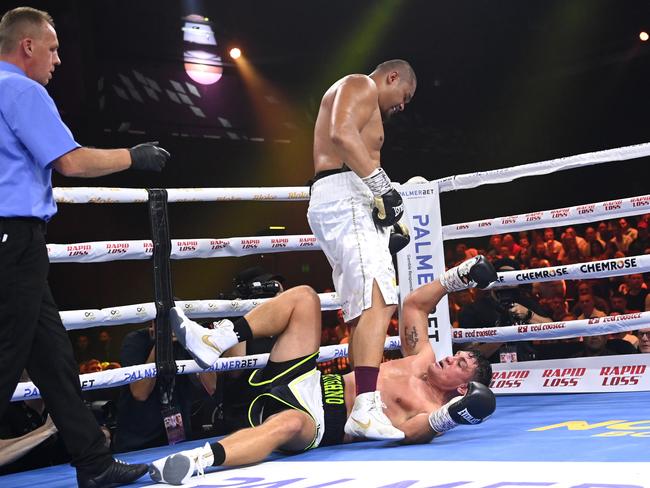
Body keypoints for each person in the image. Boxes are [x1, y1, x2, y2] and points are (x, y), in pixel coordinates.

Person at [0, 7, 170, 487]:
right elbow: (70, 163)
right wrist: (133, 156)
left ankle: (93, 462)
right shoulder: (20, 89)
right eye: (51, 49)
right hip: (13, 236)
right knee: (7, 355)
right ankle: (94, 461)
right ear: (27, 46)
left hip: (14, 240)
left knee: (53, 360)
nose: (57, 60)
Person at [147, 256, 497, 485]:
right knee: (304, 297)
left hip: (319, 420)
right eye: (457, 355)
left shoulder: (430, 411)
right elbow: (416, 304)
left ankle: (198, 460)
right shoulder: (422, 357)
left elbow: (415, 434)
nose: (450, 358)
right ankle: (218, 338)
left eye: (460, 364)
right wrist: (460, 276)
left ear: (464, 390)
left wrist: (454, 415)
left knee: (285, 424)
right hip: (308, 378)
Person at [306, 59, 417, 440]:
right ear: (392, 77)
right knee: (379, 297)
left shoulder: (365, 99)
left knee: (359, 310)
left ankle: (359, 405)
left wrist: (382, 206)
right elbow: (341, 133)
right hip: (345, 194)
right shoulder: (359, 84)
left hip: (347, 198)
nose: (403, 106)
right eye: (405, 95)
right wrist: (383, 187)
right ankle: (367, 407)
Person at [113, 322, 216, 452]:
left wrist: (196, 342)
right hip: (138, 441)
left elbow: (211, 386)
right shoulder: (135, 341)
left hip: (178, 438)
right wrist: (161, 343)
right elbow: (140, 393)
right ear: (153, 324)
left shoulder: (186, 340)